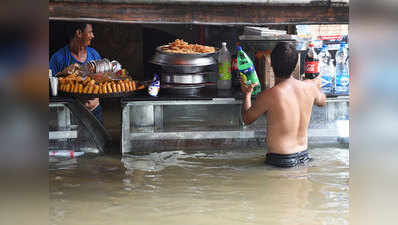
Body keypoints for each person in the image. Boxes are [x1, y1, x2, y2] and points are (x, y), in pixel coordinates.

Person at [240, 42, 326, 168]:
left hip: (280, 161)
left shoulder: (269, 95)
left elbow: (246, 119)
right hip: (304, 157)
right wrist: (313, 83)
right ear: (296, 65)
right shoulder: (309, 88)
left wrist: (247, 94)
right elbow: (322, 101)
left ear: (271, 64)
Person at [49, 22, 104, 125]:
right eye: (90, 32)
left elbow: (103, 82)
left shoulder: (94, 54)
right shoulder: (58, 58)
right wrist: (63, 73)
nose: (93, 36)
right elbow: (49, 86)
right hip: (69, 113)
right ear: (79, 33)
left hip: (95, 111)